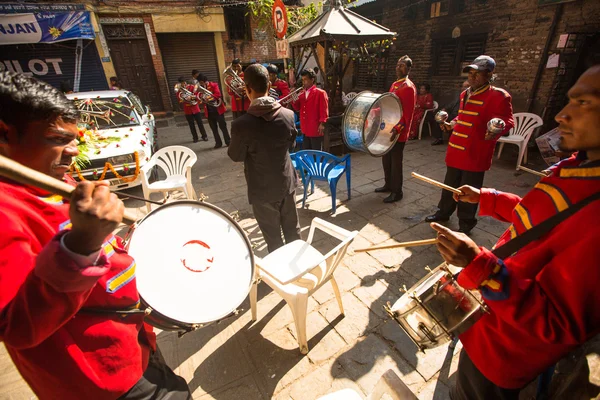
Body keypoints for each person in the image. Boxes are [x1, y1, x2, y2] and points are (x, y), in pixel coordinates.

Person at [0, 71, 191, 399]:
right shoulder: (6, 211)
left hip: (134, 342)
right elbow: (17, 325)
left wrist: (123, 241)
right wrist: (82, 243)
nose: (74, 151)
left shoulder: (55, 182)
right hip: (98, 379)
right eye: (58, 139)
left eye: (75, 138)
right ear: (4, 134)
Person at [429, 64, 600, 400]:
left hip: (507, 348)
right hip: (492, 319)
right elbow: (543, 214)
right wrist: (488, 198)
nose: (561, 116)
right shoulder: (578, 167)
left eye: (584, 103)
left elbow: (556, 325)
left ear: (489, 75)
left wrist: (480, 266)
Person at [425, 55, 514, 233]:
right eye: (470, 74)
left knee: (468, 192)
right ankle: (443, 212)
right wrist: (451, 123)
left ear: (489, 74)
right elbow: (463, 116)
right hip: (456, 149)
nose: (472, 77)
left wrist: (497, 128)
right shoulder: (465, 93)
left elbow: (507, 120)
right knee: (449, 185)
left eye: (477, 74)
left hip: (475, 152)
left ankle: (466, 223)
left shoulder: (498, 96)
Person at [228, 64, 301, 253]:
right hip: (286, 184)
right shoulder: (288, 115)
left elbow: (235, 156)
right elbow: (291, 145)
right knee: (293, 234)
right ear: (269, 86)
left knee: (273, 240)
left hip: (262, 191)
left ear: (247, 89)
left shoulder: (240, 125)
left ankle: (280, 279)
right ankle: (298, 274)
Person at [374, 55, 417, 203]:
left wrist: (398, 129)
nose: (399, 67)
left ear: (409, 68)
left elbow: (408, 113)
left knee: (396, 162)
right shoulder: (395, 84)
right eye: (398, 65)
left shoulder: (408, 87)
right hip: (389, 127)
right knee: (386, 159)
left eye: (402, 65)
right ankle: (388, 184)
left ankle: (397, 191)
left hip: (398, 131)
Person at [292, 69, 329, 150]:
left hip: (315, 126)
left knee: (316, 151)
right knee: (307, 151)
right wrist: (294, 99)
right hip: (305, 127)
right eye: (302, 80)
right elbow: (297, 108)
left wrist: (322, 123)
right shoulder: (301, 93)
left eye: (305, 79)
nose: (304, 82)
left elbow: (324, 109)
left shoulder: (320, 93)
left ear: (312, 80)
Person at [195, 73, 230, 149]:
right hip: (209, 111)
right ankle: (218, 143)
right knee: (214, 129)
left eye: (200, 82)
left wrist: (209, 97)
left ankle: (228, 141)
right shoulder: (200, 88)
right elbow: (198, 97)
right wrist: (201, 98)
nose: (200, 84)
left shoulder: (213, 85)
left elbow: (218, 94)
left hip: (217, 109)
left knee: (223, 127)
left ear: (203, 81)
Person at [431, 80, 470, 146]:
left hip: (460, 116)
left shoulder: (470, 97)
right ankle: (439, 138)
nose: (464, 88)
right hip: (452, 114)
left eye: (466, 86)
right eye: (463, 86)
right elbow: (452, 104)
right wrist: (444, 109)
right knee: (438, 119)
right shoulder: (460, 95)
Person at [176, 77, 208, 143]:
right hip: (187, 109)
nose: (184, 84)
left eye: (184, 82)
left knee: (200, 123)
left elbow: (197, 95)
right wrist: (183, 99)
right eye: (182, 83)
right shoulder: (179, 90)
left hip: (195, 108)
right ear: (180, 84)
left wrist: (191, 97)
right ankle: (195, 138)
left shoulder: (191, 87)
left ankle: (204, 136)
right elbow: (179, 99)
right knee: (191, 124)